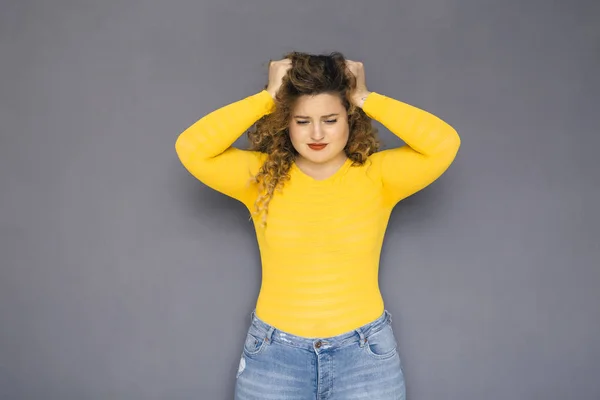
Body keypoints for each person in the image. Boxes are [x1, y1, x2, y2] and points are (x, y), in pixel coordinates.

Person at [175, 51, 461, 400]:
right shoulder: (262, 177)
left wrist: (364, 97)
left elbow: (444, 144)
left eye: (330, 119)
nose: (316, 133)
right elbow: (191, 149)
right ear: (286, 122)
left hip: (365, 356)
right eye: (301, 121)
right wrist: (266, 98)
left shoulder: (379, 177)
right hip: (274, 357)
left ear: (349, 119)